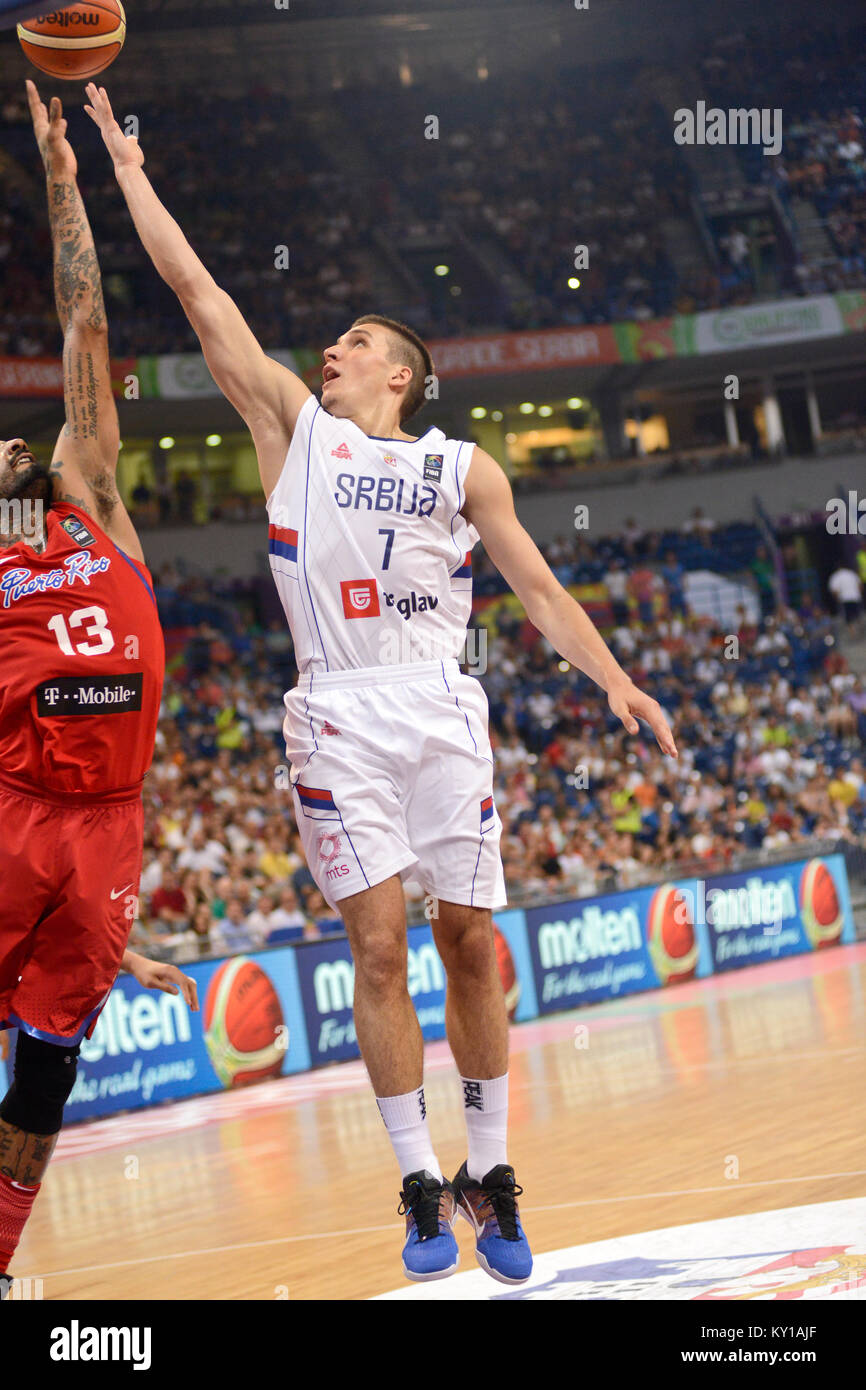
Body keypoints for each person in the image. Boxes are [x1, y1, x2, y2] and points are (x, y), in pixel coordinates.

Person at [86, 83, 678, 1286]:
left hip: (442, 702)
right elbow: (202, 299)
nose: (333, 351)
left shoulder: (468, 469)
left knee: (469, 943)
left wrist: (617, 680)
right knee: (373, 946)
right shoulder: (297, 431)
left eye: (354, 342)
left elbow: (543, 594)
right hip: (340, 709)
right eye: (335, 344)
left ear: (399, 376)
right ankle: (417, 1182)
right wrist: (127, 168)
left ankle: (491, 1171)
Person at [0, 86, 170, 1298]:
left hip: (109, 819)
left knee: (47, 1071)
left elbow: (82, 321)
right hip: (14, 805)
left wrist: (64, 176)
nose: (16, 443)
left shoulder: (97, 501)